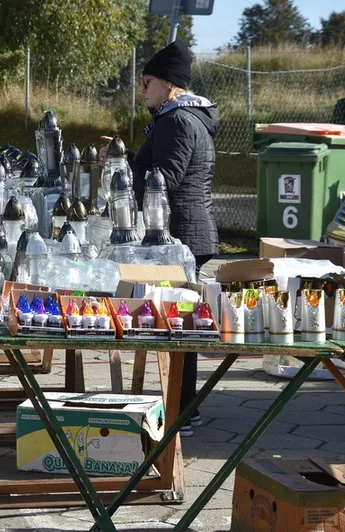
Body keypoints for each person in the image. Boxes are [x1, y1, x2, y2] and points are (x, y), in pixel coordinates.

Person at [132, 38, 220, 437]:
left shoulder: (178, 120)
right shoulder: (181, 117)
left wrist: (123, 174)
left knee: (178, 324)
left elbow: (163, 180)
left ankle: (183, 410)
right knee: (178, 322)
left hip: (180, 235)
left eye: (146, 81)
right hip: (183, 234)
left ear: (168, 83)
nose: (142, 89)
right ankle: (184, 407)